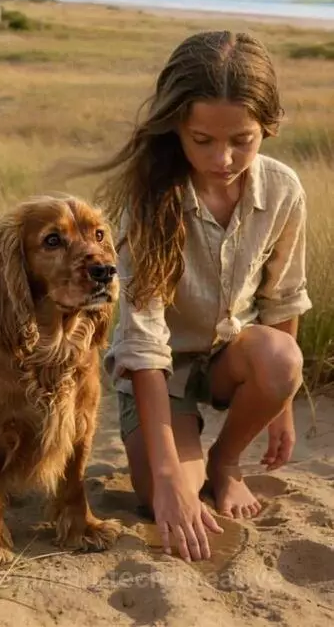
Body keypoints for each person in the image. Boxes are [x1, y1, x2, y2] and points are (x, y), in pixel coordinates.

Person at [97, 30, 311, 564]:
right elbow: (142, 345)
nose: (223, 158)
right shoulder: (149, 197)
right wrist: (168, 477)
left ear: (268, 125)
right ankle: (186, 463)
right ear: (177, 128)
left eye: (243, 139)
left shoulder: (282, 190)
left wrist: (279, 407)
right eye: (203, 140)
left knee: (282, 359)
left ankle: (226, 460)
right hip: (159, 375)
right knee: (170, 499)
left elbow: (284, 300)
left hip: (229, 360)